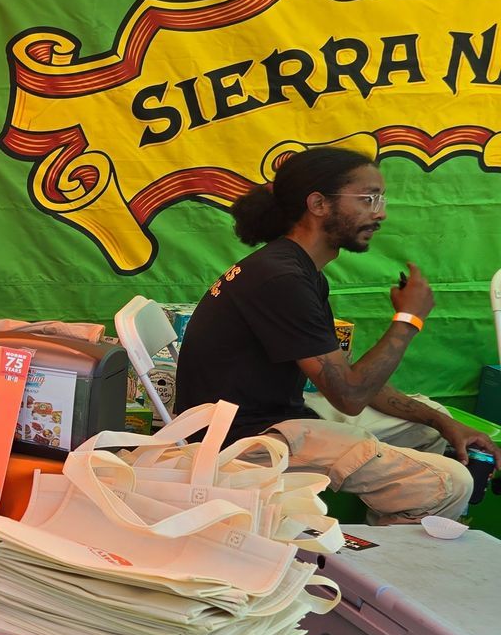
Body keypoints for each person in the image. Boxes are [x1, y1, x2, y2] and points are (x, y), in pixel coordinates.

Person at [173, 146, 495, 524]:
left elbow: (348, 379)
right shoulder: (281, 279)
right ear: (318, 204)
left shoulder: (296, 269)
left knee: (432, 423)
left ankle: (388, 523)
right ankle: (376, 559)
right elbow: (350, 396)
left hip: (283, 418)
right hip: (245, 443)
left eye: (381, 199)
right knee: (451, 483)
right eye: (368, 199)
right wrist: (408, 319)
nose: (380, 212)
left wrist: (442, 422)